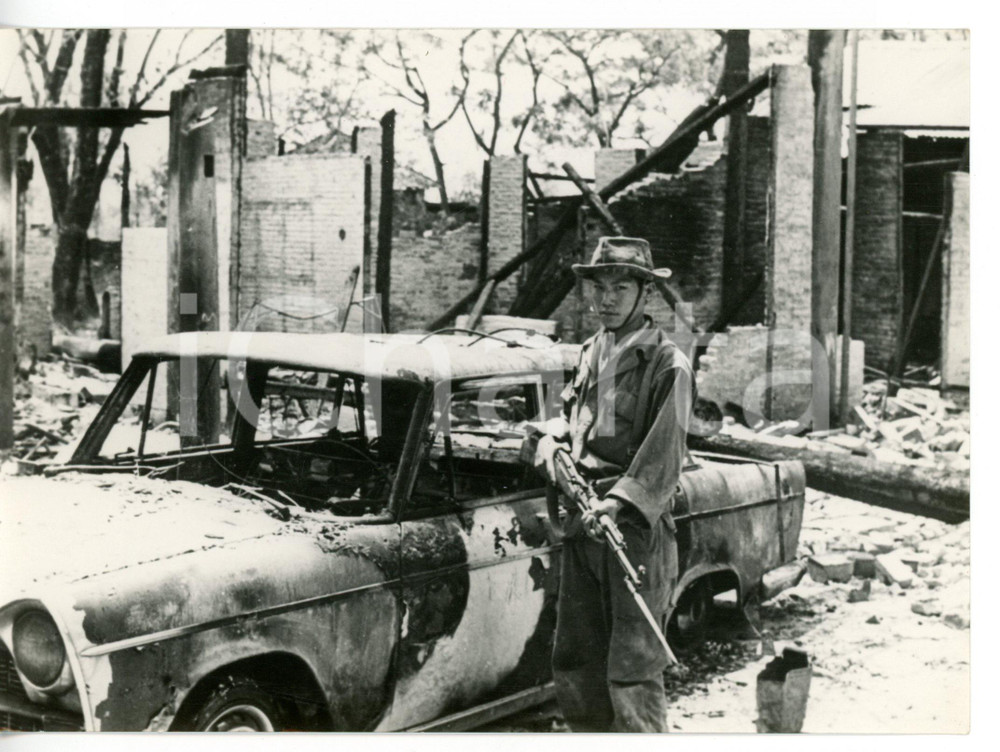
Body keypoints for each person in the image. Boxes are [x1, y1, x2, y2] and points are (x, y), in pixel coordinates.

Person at [526, 236, 695, 732]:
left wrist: (618, 503)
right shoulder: (590, 351)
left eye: (621, 287)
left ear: (646, 294)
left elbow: (664, 457)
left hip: (632, 535)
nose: (607, 298)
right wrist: (551, 439)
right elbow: (572, 420)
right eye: (600, 287)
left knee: (632, 669)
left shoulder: (668, 365)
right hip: (583, 525)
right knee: (577, 661)